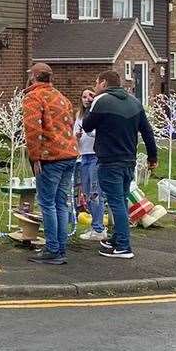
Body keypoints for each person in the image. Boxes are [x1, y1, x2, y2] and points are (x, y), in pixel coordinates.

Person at [82, 70, 158, 259]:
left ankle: (123, 247)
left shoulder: (102, 100)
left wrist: (90, 110)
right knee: (121, 200)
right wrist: (152, 158)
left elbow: (87, 126)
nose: (96, 87)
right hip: (128, 160)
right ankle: (116, 239)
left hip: (109, 160)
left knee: (116, 203)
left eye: (97, 83)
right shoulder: (134, 102)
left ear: (104, 83)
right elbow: (147, 132)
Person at [22, 63, 79, 265]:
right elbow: (70, 125)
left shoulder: (33, 97)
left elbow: (32, 129)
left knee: (47, 203)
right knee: (60, 203)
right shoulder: (62, 97)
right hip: (69, 154)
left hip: (50, 156)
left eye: (30, 74)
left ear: (35, 76)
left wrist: (35, 156)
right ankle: (60, 247)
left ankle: (53, 249)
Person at [74, 88, 106, 242]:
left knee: (95, 193)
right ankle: (95, 225)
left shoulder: (97, 114)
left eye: (90, 96)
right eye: (84, 96)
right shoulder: (79, 116)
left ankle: (99, 228)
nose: (87, 99)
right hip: (83, 157)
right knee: (87, 193)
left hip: (95, 156)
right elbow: (75, 138)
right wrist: (77, 137)